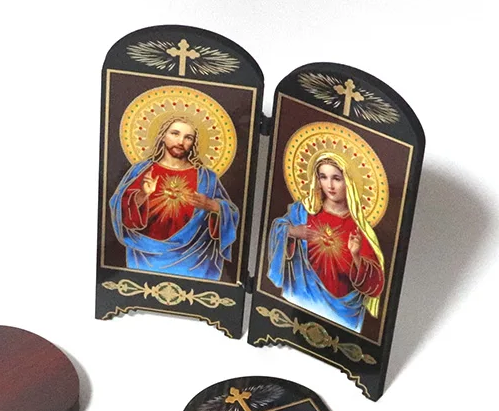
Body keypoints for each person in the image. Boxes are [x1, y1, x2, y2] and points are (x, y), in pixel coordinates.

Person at [109, 116, 239, 281]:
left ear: (193, 143)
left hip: (194, 258)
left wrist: (212, 205)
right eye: (175, 133)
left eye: (188, 137)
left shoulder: (206, 177)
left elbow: (232, 212)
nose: (180, 141)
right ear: (163, 136)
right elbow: (118, 208)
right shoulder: (142, 170)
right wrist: (142, 194)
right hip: (145, 255)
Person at [267, 152, 385, 332]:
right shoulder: (303, 211)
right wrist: (292, 231)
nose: (329, 185)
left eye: (336, 178)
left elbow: (375, 285)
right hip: (300, 299)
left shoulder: (358, 228)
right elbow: (278, 228)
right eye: (323, 177)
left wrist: (356, 256)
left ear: (349, 182)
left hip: (342, 312)